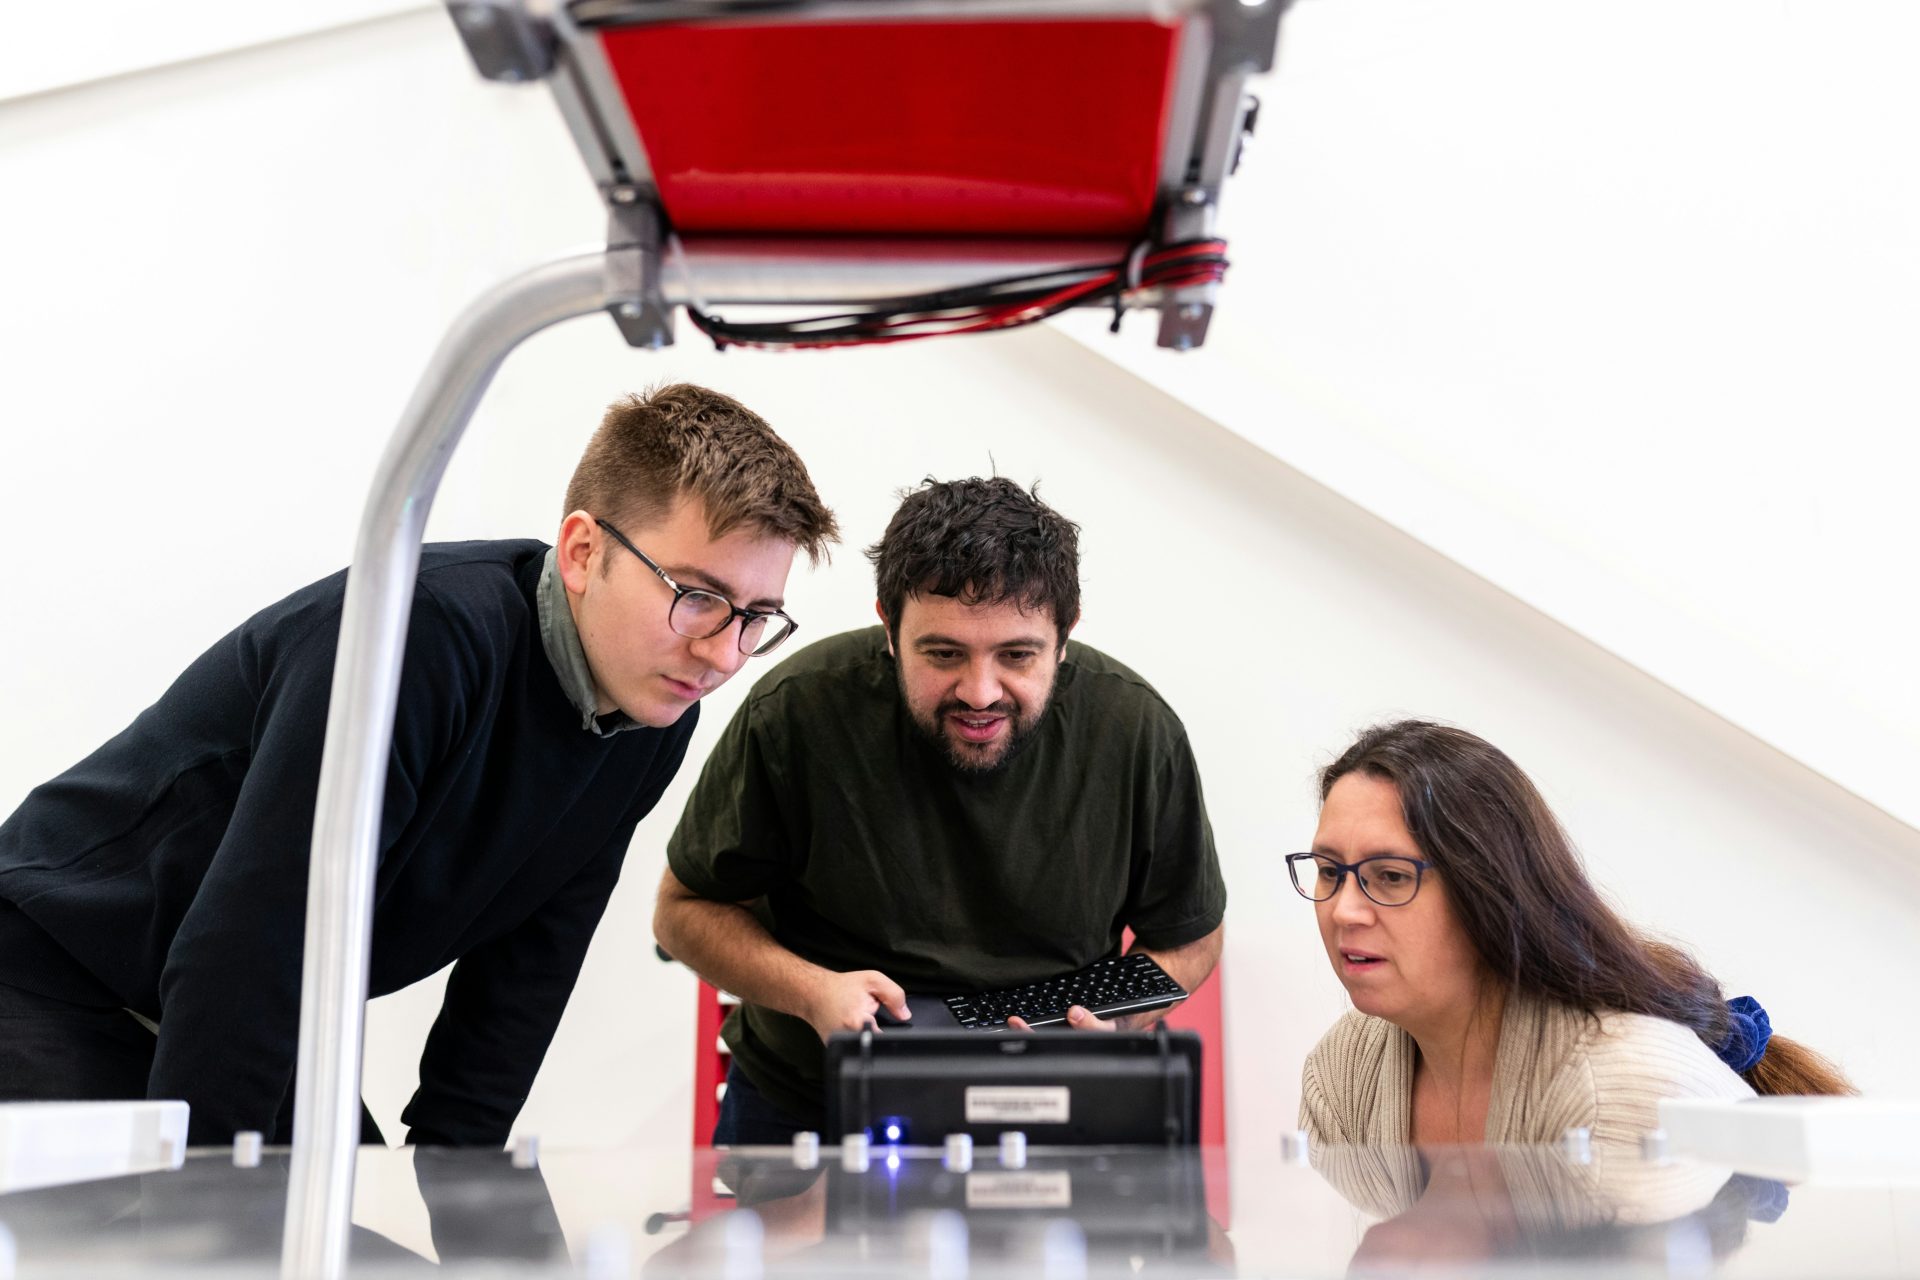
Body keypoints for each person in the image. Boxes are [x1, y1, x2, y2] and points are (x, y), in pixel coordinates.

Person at [0, 384, 837, 1148]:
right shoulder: (421, 639)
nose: (724, 654)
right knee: (153, 1240)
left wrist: (467, 1200)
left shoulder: (650, 708)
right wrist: (203, 1234)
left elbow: (523, 981)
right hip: (55, 971)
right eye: (696, 596)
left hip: (228, 1011)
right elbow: (250, 947)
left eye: (755, 617)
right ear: (582, 552)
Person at [657, 476, 1227, 1143]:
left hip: (1048, 1100)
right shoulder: (796, 712)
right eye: (944, 654)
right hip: (815, 1100)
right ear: (889, 627)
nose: (981, 693)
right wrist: (812, 992)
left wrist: (1112, 1025)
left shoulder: (1135, 730)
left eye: (1017, 655)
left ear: (1065, 635)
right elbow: (684, 910)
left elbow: (1188, 936)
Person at [1294, 720, 1852, 1148]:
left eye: (1389, 877)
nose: (1344, 911)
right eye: (1327, 871)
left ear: (1486, 889)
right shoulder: (1345, 1071)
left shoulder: (1631, 1087)